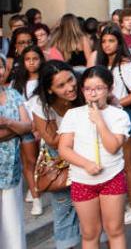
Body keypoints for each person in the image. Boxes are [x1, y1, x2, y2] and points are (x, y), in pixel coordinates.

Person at [57, 66, 130, 249]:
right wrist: (86, 164)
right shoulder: (73, 114)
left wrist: (99, 121)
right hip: (82, 180)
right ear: (82, 90)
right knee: (90, 233)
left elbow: (113, 147)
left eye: (99, 88)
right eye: (88, 89)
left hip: (112, 177)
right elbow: (64, 149)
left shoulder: (119, 116)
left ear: (109, 89)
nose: (93, 93)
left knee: (114, 230)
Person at [95, 25, 131, 224]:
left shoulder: (125, 65)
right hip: (110, 118)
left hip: (125, 117)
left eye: (111, 41)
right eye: (104, 41)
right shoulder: (102, 65)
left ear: (119, 42)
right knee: (129, 163)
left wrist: (115, 103)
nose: (107, 45)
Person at [33, 61, 85, 249]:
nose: (70, 87)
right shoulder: (40, 103)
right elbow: (52, 139)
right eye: (61, 85)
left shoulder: (85, 88)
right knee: (64, 210)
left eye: (71, 79)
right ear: (49, 90)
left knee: (95, 209)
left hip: (87, 154)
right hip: (59, 161)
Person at [7, 45, 44, 215]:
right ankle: (36, 198)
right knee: (29, 162)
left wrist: (39, 125)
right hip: (24, 128)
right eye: (27, 59)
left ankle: (37, 187)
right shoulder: (17, 82)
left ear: (41, 60)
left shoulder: (45, 79)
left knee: (41, 162)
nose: (31, 63)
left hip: (44, 126)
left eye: (35, 59)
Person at [0, 68, 32, 249]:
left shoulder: (13, 94)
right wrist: (15, 130)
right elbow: (22, 127)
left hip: (12, 167)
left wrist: (7, 122)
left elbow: (28, 125)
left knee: (13, 222)